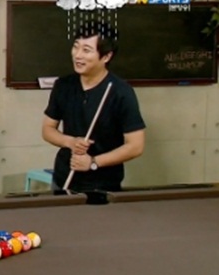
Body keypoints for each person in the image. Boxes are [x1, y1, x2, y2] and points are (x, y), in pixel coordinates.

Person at [42, 21, 145, 193]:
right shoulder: (63, 85)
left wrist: (93, 162)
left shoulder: (121, 92)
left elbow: (136, 146)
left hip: (103, 186)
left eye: (86, 50)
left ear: (106, 57)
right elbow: (47, 129)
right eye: (76, 47)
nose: (78, 55)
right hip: (63, 179)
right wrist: (70, 142)